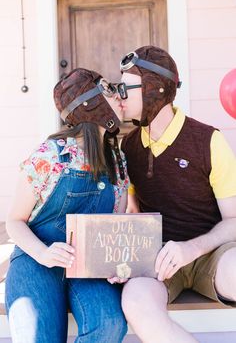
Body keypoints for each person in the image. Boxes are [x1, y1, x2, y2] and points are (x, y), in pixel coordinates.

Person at [118, 46, 236, 343]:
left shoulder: (208, 140)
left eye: (124, 88)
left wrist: (192, 249)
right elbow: (132, 215)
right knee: (134, 299)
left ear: (152, 90)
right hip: (158, 262)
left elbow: (234, 220)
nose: (118, 96)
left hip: (212, 255)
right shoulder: (128, 147)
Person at [5, 68, 129, 343]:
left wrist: (115, 264)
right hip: (36, 259)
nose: (121, 96)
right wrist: (44, 253)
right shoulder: (51, 155)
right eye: (109, 90)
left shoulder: (117, 162)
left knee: (109, 325)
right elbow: (14, 220)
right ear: (91, 103)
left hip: (88, 266)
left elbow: (114, 227)